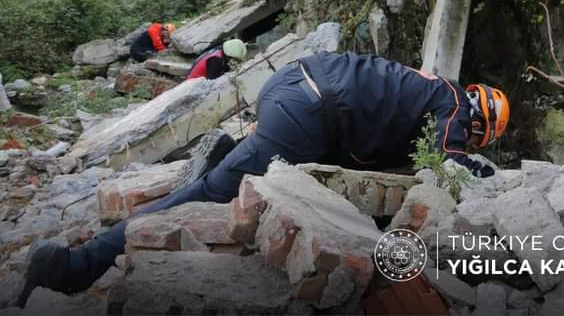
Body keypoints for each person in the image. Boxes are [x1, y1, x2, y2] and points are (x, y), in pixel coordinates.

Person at [18, 52, 510, 306]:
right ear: (482, 116)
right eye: (478, 134)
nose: (470, 137)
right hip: (310, 111)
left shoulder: (421, 88)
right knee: (214, 193)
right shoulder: (451, 105)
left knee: (230, 177)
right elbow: (451, 160)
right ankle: (79, 265)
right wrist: (490, 176)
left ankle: (227, 162)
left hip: (291, 85)